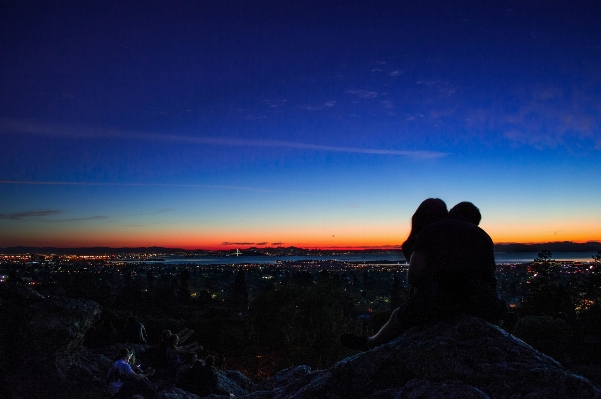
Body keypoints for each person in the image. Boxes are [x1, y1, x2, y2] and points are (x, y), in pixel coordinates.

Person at [341, 205, 508, 351]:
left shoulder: (433, 230)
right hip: (486, 303)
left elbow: (415, 274)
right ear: (475, 221)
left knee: (399, 316)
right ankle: (505, 321)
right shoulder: (484, 236)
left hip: (441, 302)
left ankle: (371, 343)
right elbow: (489, 277)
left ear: (451, 212)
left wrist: (421, 295)